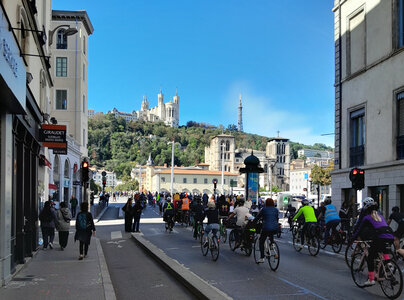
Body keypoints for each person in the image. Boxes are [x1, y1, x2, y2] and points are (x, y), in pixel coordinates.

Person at [351, 197, 394, 286]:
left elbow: (359, 229)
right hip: (390, 235)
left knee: (370, 257)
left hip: (380, 236)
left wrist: (352, 238)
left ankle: (371, 280)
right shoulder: (380, 216)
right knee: (383, 248)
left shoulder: (367, 217)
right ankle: (388, 263)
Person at [255, 198, 279, 263]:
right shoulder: (276, 210)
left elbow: (258, 217)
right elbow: (276, 219)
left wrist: (254, 222)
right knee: (271, 232)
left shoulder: (264, 209)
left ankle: (262, 258)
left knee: (261, 241)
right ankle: (272, 244)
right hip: (275, 228)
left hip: (266, 228)